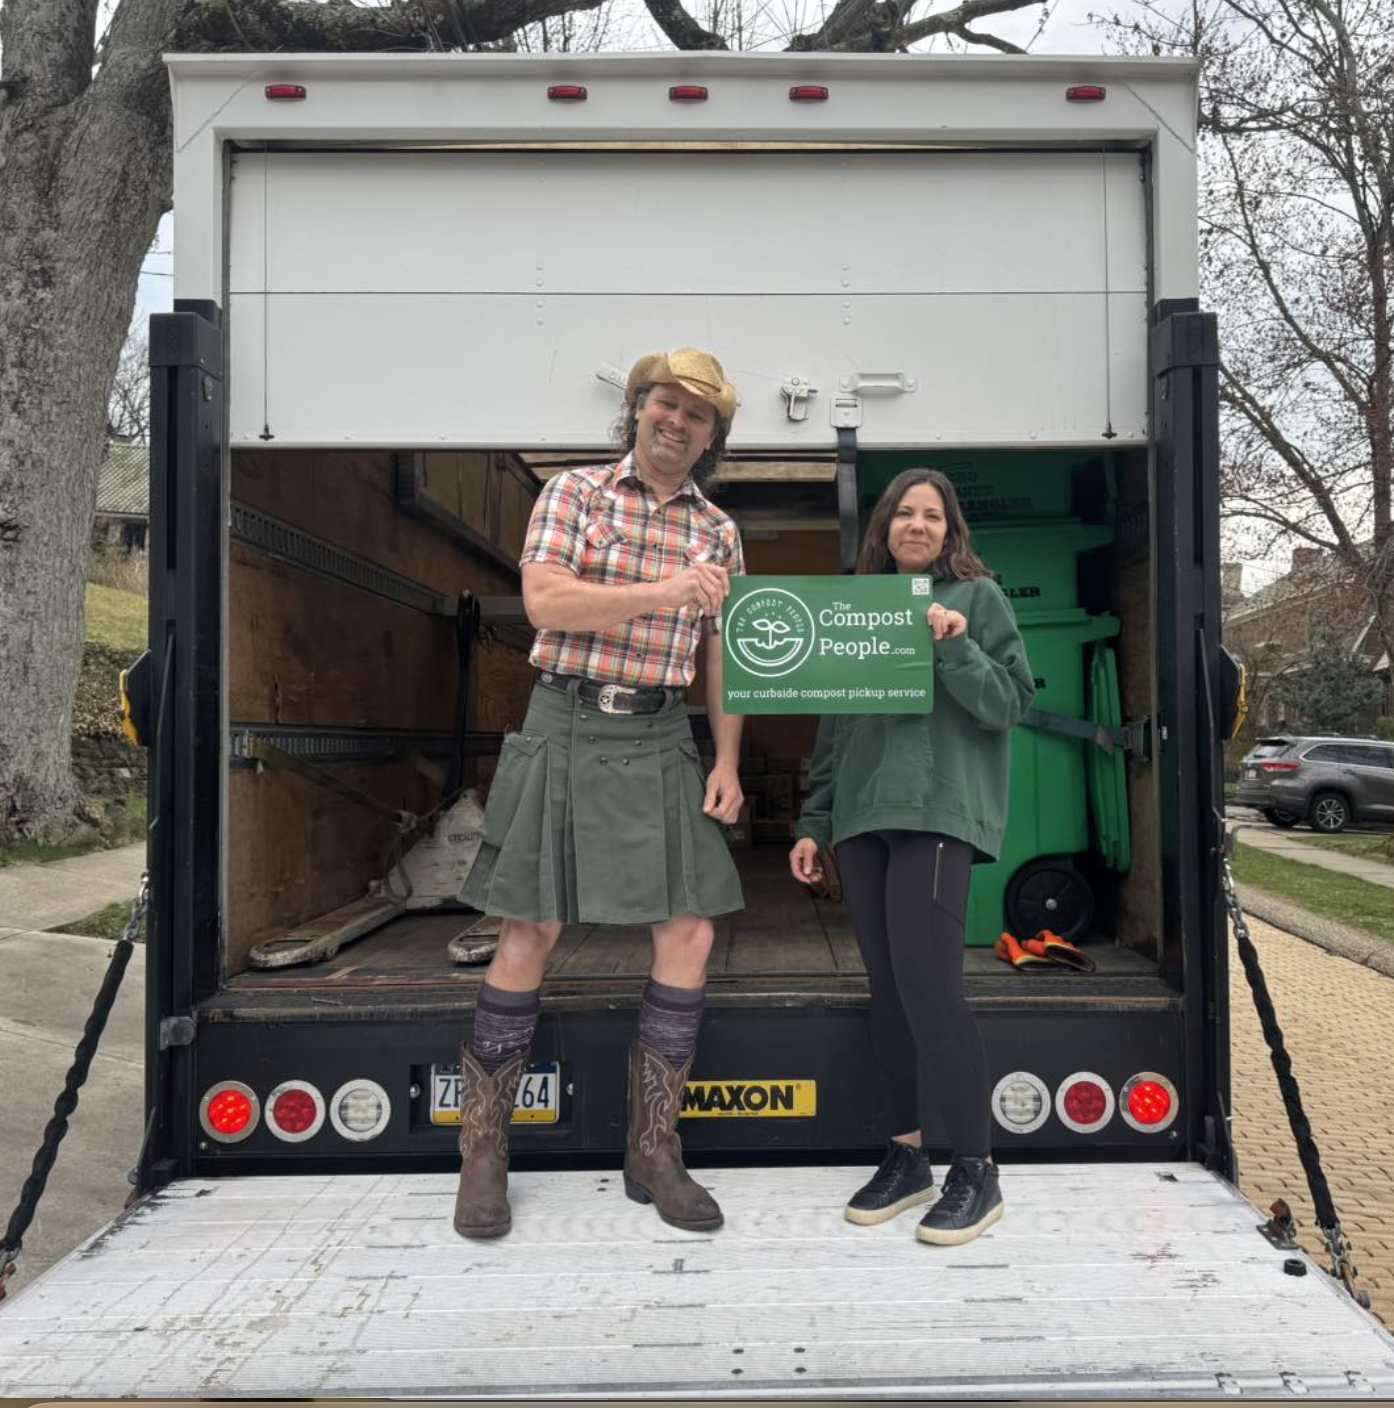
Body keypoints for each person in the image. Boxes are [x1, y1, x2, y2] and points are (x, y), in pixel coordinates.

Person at [453, 348, 746, 1240]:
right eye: (666, 403)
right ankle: (483, 1156)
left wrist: (726, 761)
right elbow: (545, 602)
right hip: (566, 720)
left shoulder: (721, 531)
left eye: (698, 414)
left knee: (690, 926)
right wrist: (666, 589)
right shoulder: (575, 494)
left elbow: (723, 657)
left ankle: (653, 1152)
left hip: (660, 732)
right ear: (638, 410)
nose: (678, 422)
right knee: (529, 926)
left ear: (712, 435)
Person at [789, 468, 1034, 1246]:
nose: (917, 524)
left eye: (932, 514)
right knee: (888, 994)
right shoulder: (855, 611)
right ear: (885, 527)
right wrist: (812, 821)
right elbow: (832, 729)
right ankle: (907, 1157)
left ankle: (977, 1169)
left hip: (936, 812)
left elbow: (1009, 704)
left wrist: (956, 649)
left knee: (931, 989)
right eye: (904, 513)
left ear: (950, 529)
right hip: (863, 820)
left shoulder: (976, 600)